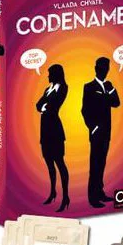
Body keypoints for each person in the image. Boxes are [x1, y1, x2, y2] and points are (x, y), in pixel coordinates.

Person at [81, 57, 120, 208]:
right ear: (96, 69)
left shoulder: (108, 86)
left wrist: (111, 89)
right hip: (96, 132)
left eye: (106, 68)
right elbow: (84, 110)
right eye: (101, 68)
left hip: (106, 133)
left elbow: (116, 103)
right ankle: (93, 198)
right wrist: (92, 127)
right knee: (95, 165)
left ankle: (100, 193)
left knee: (102, 163)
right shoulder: (89, 87)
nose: (104, 71)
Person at [35, 64, 70, 211]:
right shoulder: (48, 89)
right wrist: (44, 106)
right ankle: (53, 192)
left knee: (59, 163)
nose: (48, 76)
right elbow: (38, 105)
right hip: (45, 131)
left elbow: (53, 106)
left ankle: (66, 197)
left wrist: (44, 106)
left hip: (55, 131)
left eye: (50, 73)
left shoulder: (63, 88)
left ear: (56, 74)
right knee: (49, 163)